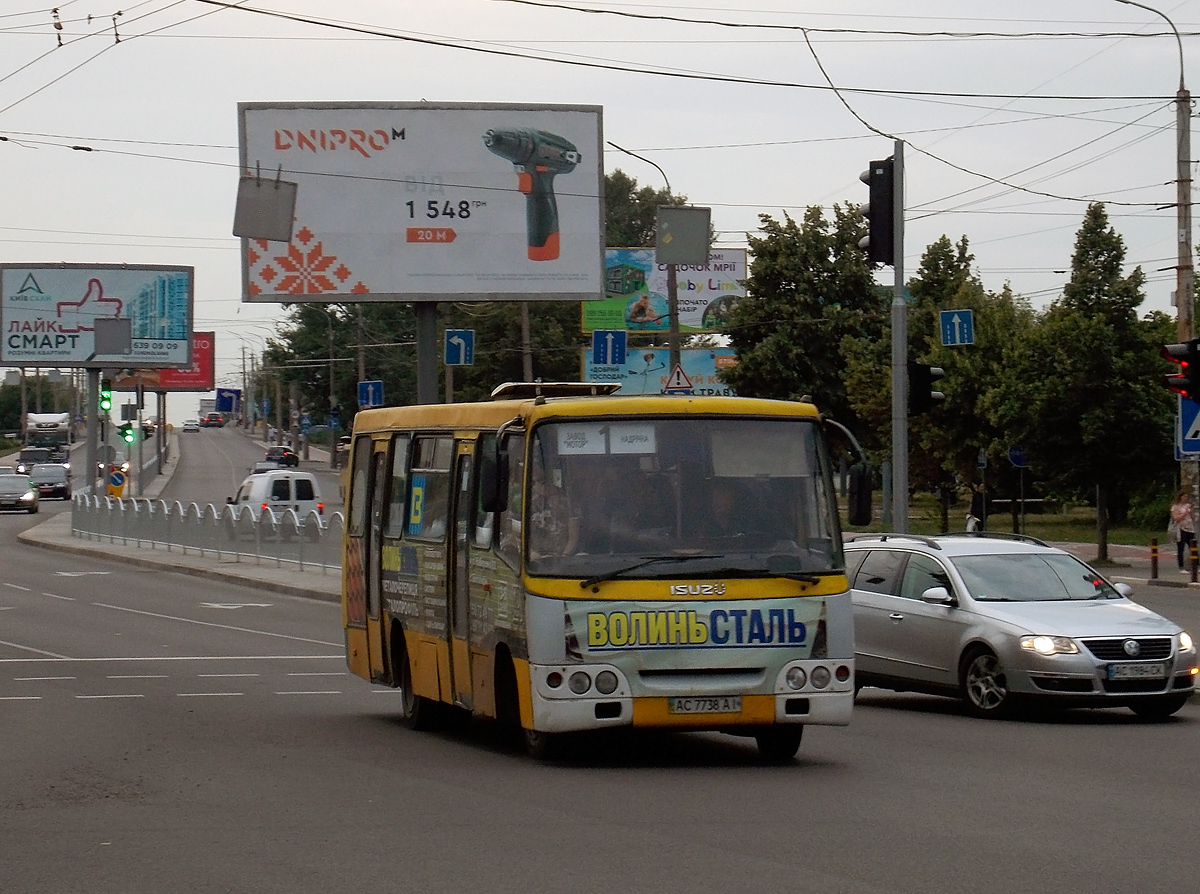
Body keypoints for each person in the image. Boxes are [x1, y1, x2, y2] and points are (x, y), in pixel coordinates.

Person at [1169, 488, 1195, 572]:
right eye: (1184, 496)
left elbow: (1193, 518)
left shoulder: (1188, 505)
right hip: (1181, 529)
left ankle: (1196, 565)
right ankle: (1181, 566)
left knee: (1193, 547)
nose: (1186, 498)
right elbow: (1176, 518)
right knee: (1181, 548)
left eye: (1187, 497)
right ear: (1180, 497)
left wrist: (1191, 513)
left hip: (1190, 528)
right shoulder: (1175, 507)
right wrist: (1185, 513)